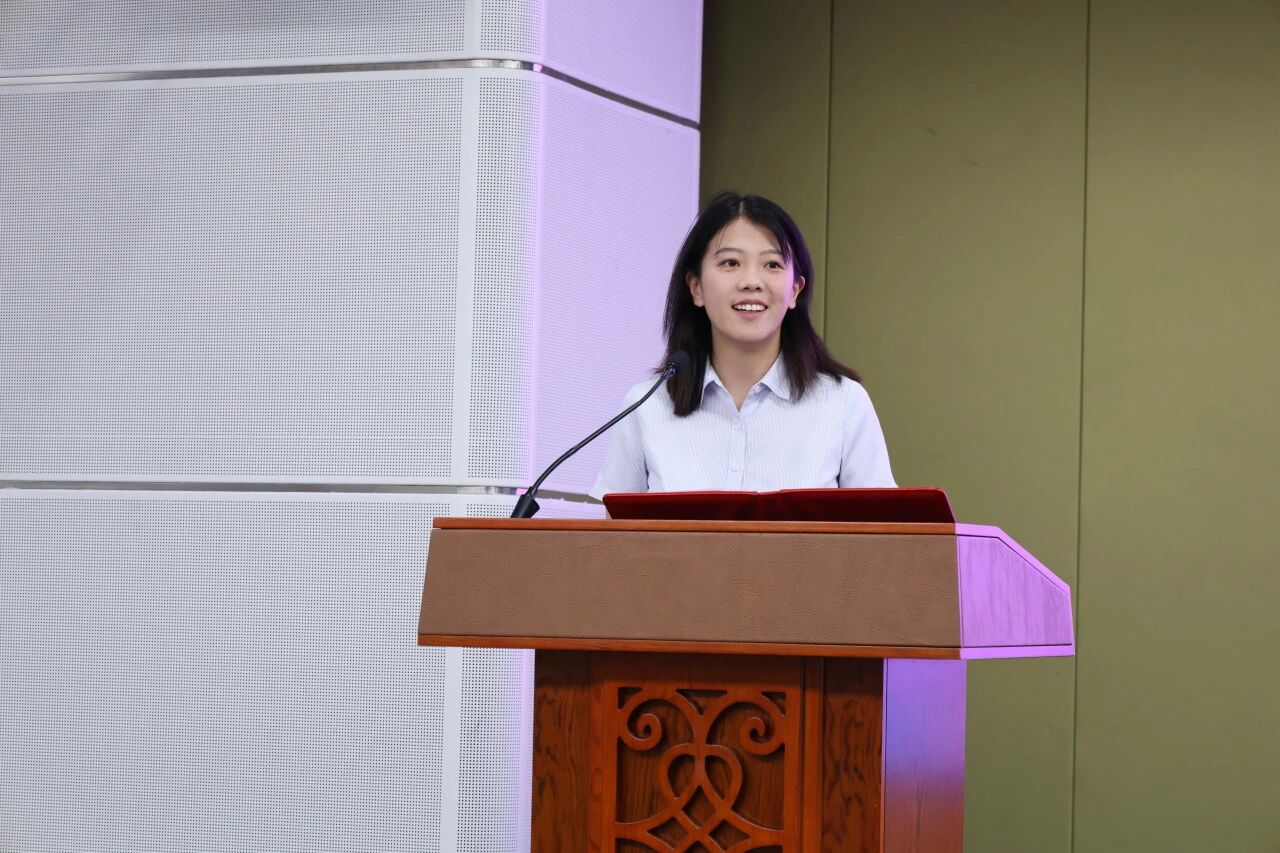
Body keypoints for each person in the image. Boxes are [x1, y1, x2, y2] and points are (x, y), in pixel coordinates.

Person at [590, 191, 895, 499]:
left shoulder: (843, 404)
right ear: (696, 288)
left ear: (795, 291)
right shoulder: (647, 406)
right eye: (731, 263)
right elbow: (612, 528)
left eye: (772, 264)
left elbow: (882, 526)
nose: (751, 281)